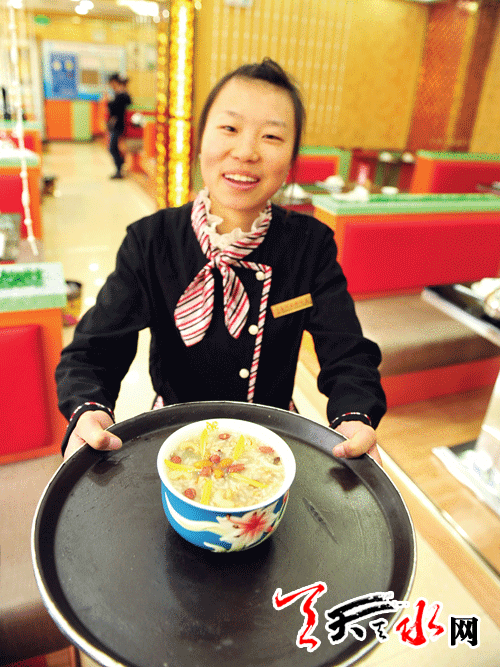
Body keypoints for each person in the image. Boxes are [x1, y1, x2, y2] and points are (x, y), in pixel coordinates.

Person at [56, 58, 386, 464]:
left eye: (271, 136)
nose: (245, 152)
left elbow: (347, 351)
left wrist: (354, 414)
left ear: (291, 160)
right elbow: (94, 350)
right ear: (200, 140)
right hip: (174, 440)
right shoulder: (151, 240)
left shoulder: (309, 246)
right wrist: (89, 407)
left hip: (268, 443)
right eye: (229, 128)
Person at [106, 73, 131, 179]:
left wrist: (109, 102)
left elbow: (115, 109)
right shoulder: (119, 95)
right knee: (114, 147)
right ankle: (120, 168)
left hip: (120, 126)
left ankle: (120, 169)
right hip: (117, 125)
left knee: (113, 148)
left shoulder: (123, 95)